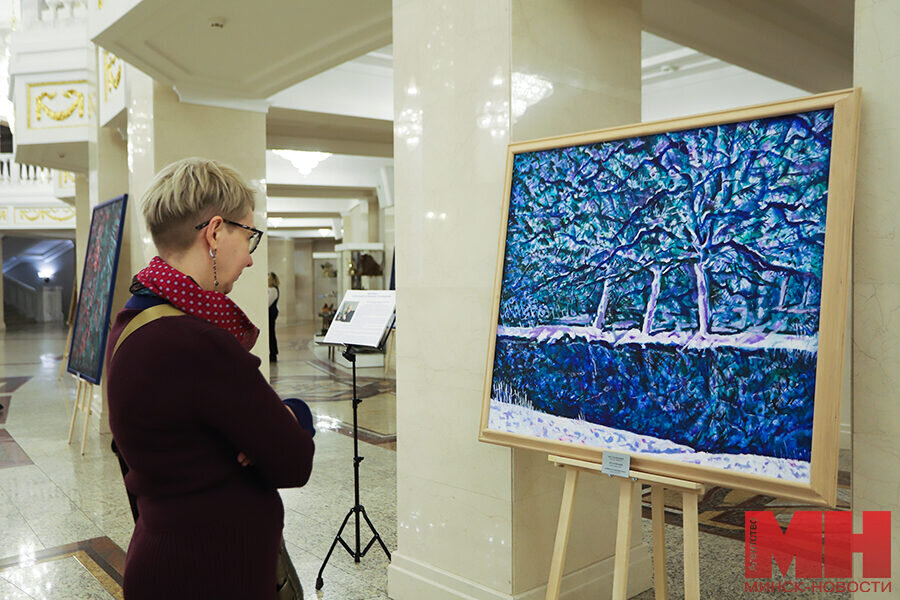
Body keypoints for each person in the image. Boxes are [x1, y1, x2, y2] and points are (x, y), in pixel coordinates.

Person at [105, 158, 315, 600]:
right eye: (248, 235)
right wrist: (293, 415)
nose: (251, 258)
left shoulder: (133, 319)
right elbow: (294, 461)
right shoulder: (199, 342)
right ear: (215, 232)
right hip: (213, 571)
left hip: (161, 556)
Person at [268, 272, 280, 362]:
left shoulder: (273, 290)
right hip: (271, 312)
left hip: (271, 313)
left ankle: (273, 353)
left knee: (271, 333)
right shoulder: (271, 289)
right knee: (270, 333)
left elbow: (268, 303)